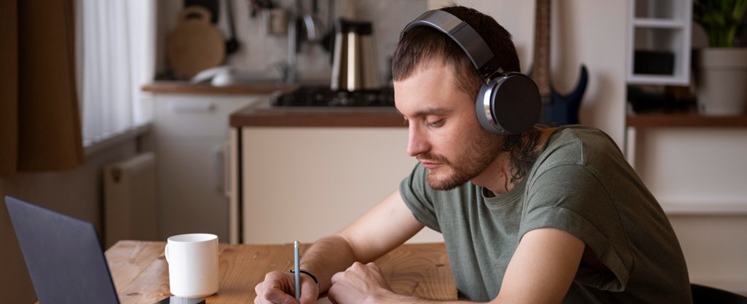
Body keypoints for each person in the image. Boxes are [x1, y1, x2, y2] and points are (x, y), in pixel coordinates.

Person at [255, 5, 692, 304]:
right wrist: (304, 277)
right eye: (407, 120)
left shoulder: (574, 165)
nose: (414, 146)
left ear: (500, 107)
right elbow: (349, 242)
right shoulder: (452, 171)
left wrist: (379, 299)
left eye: (435, 120)